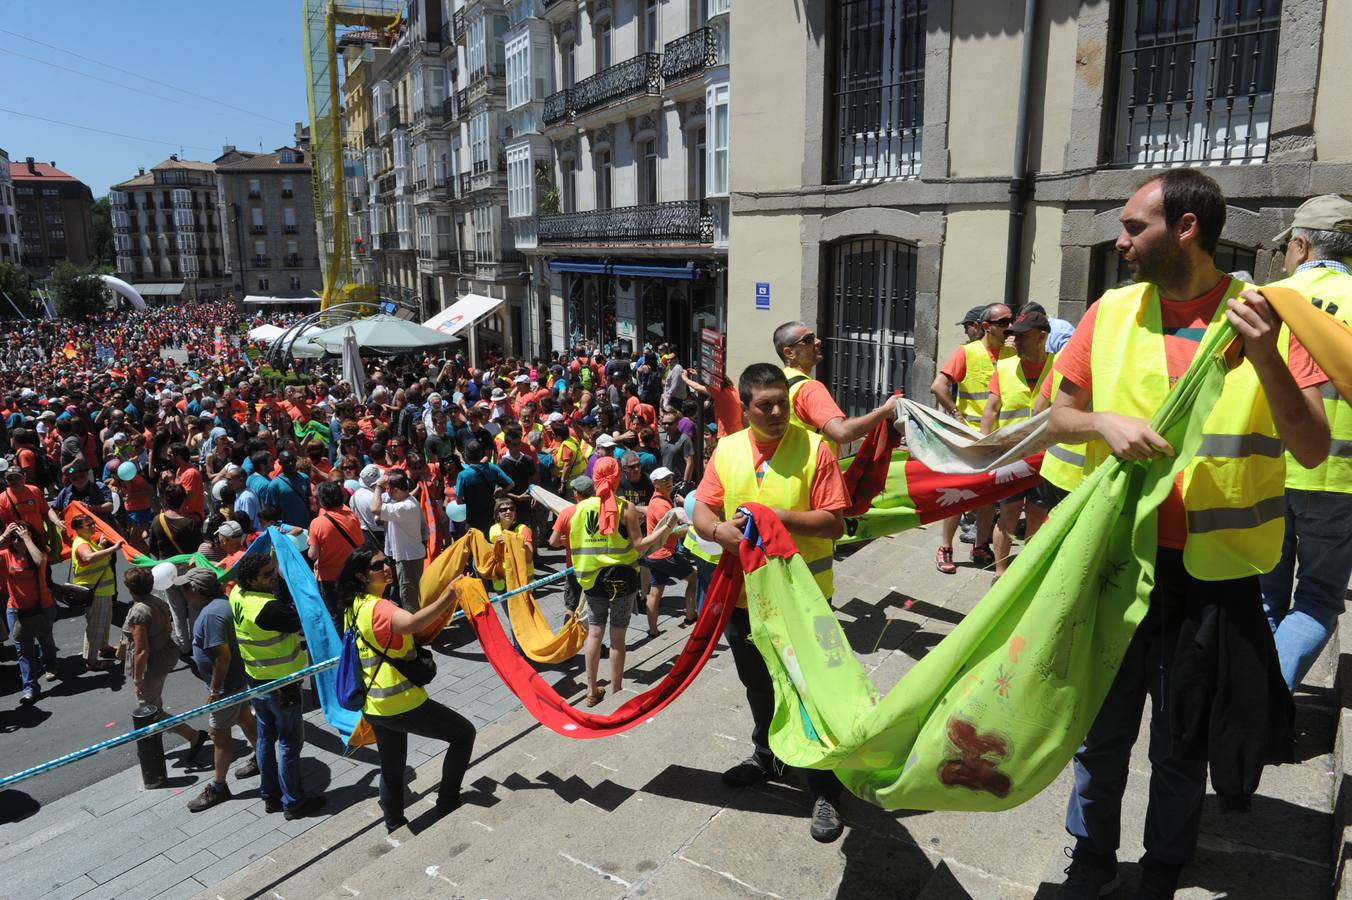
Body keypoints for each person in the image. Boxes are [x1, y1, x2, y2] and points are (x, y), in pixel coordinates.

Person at [1048, 169, 1330, 898]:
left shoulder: (1266, 318)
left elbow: (1312, 448)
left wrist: (1266, 355)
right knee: (1100, 732)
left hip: (1211, 575)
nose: (1121, 241)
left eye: (1134, 227)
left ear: (1186, 229)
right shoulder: (1108, 312)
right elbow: (1057, 417)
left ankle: (1165, 863)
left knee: (1182, 741)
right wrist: (1101, 422)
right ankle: (1092, 854)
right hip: (1116, 562)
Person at [690, 363, 850, 843]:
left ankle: (824, 786)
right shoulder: (729, 449)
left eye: (782, 402)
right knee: (758, 685)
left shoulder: (816, 449)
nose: (778, 412)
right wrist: (718, 530)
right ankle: (768, 754)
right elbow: (702, 508)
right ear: (745, 405)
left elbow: (833, 522)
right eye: (766, 405)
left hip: (802, 602)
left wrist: (774, 517)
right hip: (745, 600)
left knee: (808, 693)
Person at [1258, 194, 1352, 691]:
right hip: (1339, 481)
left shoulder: (1265, 301)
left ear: (1300, 244)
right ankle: (1262, 704)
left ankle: (1250, 705)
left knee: (1267, 596)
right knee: (1317, 598)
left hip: (1268, 470)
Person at [339, 549, 476, 832]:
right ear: (361, 575)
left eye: (387, 561)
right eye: (378, 566)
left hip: (374, 706)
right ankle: (448, 801)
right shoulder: (381, 608)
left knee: (392, 768)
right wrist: (450, 595)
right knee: (464, 734)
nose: (387, 567)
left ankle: (394, 823)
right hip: (401, 703)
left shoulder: (354, 606)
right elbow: (413, 624)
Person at [568, 456, 674, 707]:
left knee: (594, 633)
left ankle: (591, 690)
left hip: (592, 580)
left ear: (594, 478)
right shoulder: (625, 507)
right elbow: (639, 546)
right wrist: (664, 529)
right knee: (617, 637)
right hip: (623, 580)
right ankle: (616, 691)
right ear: (618, 478)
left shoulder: (580, 508)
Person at [229, 552, 325, 820]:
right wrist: (289, 579)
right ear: (252, 579)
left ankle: (270, 795)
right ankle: (294, 802)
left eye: (273, 572)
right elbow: (303, 617)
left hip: (257, 681)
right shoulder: (269, 609)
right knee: (289, 744)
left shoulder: (237, 593)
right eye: (268, 575)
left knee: (265, 738)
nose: (273, 578)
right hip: (283, 685)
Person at [929, 303, 1014, 573]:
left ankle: (980, 546)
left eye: (1011, 320)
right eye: (1003, 322)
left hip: (998, 438)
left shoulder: (1012, 354)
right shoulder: (967, 352)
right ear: (986, 326)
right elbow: (938, 386)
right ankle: (945, 547)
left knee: (989, 497)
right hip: (968, 437)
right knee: (958, 495)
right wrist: (956, 414)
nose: (1009, 326)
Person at [981, 308, 1056, 577]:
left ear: (1041, 337)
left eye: (1023, 336)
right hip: (1011, 455)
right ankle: (1001, 572)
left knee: (1037, 515)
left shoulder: (1059, 368)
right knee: (1008, 513)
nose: (1016, 340)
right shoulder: (1004, 367)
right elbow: (991, 410)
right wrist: (984, 447)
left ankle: (1028, 572)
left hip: (1045, 457)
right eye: (1014, 335)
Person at [184, 566, 259, 812]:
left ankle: (218, 787)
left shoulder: (212, 615)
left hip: (227, 687)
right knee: (245, 718)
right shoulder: (220, 604)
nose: (183, 592)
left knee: (219, 735)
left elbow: (222, 656)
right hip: (236, 682)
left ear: (196, 589)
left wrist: (215, 691)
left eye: (186, 587)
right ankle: (263, 757)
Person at [771, 320, 901, 451]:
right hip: (816, 470)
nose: (817, 341)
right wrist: (886, 411)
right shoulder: (809, 388)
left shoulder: (780, 382)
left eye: (814, 336)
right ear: (789, 353)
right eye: (808, 339)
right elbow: (842, 433)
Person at [123, 566, 210, 760]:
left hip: (152, 663)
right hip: (165, 654)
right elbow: (168, 626)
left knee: (149, 710)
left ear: (130, 588)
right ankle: (155, 738)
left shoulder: (139, 612)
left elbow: (141, 650)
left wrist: (137, 679)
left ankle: (194, 736)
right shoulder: (156, 600)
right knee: (154, 701)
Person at [2, 522, 58, 705]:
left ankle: (50, 665)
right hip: (17, 610)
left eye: (20, 537)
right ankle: (30, 688)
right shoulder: (6, 555)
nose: (17, 541)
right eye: (14, 538)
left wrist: (27, 539)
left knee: (45, 639)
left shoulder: (40, 551)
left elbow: (39, 561)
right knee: (23, 650)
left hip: (42, 608)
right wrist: (3, 536)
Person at [640, 467, 694, 634]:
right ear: (655, 483)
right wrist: (695, 526)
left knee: (656, 591)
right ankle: (690, 617)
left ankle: (653, 631)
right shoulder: (662, 504)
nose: (669, 482)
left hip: (653, 555)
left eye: (670, 478)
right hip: (665, 554)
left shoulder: (656, 500)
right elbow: (675, 531)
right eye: (664, 480)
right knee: (694, 579)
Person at [68, 513, 123, 670]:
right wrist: (113, 548)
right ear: (79, 529)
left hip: (102, 591)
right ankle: (92, 661)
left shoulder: (87, 540)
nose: (93, 526)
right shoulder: (81, 544)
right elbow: (87, 558)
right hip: (96, 592)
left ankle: (104, 647)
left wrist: (101, 545)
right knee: (95, 626)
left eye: (93, 523)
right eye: (89, 525)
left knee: (104, 622)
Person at [308, 480, 364, 628]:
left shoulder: (317, 523)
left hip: (328, 577)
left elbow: (312, 555)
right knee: (353, 611)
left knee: (336, 615)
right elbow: (359, 543)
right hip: (351, 573)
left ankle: (342, 648)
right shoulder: (351, 516)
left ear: (321, 500)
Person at [371, 470, 428, 613]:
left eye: (387, 488)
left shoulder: (405, 506)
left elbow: (375, 508)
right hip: (408, 555)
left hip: (408, 558)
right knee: (408, 592)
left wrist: (378, 487)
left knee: (409, 596)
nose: (385, 491)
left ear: (395, 490)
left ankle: (414, 630)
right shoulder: (405, 501)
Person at [454, 440, 513, 536]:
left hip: (473, 519)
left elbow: (458, 501)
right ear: (481, 453)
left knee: (475, 548)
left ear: (466, 455)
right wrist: (501, 491)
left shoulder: (463, 475)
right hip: (491, 516)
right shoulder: (492, 467)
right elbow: (511, 484)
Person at [488, 497, 533, 594]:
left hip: (520, 581)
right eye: (503, 509)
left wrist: (512, 540)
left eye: (511, 509)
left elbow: (529, 558)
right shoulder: (493, 529)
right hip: (501, 580)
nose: (508, 511)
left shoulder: (523, 530)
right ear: (497, 514)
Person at [261, 450, 313, 528]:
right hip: (287, 529)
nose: (290, 464)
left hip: (305, 526)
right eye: (286, 462)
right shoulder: (274, 485)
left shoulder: (305, 478)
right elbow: (272, 509)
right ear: (280, 463)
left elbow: (309, 501)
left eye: (293, 461)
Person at [350, 463, 385, 550]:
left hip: (363, 535)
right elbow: (381, 520)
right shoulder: (376, 498)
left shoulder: (354, 496)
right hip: (380, 536)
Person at [658, 411, 694, 484]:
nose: (667, 426)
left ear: (677, 424)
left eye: (670, 423)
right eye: (664, 423)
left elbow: (690, 463)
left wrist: (685, 482)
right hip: (663, 481)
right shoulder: (661, 438)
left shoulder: (684, 439)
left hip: (677, 483)